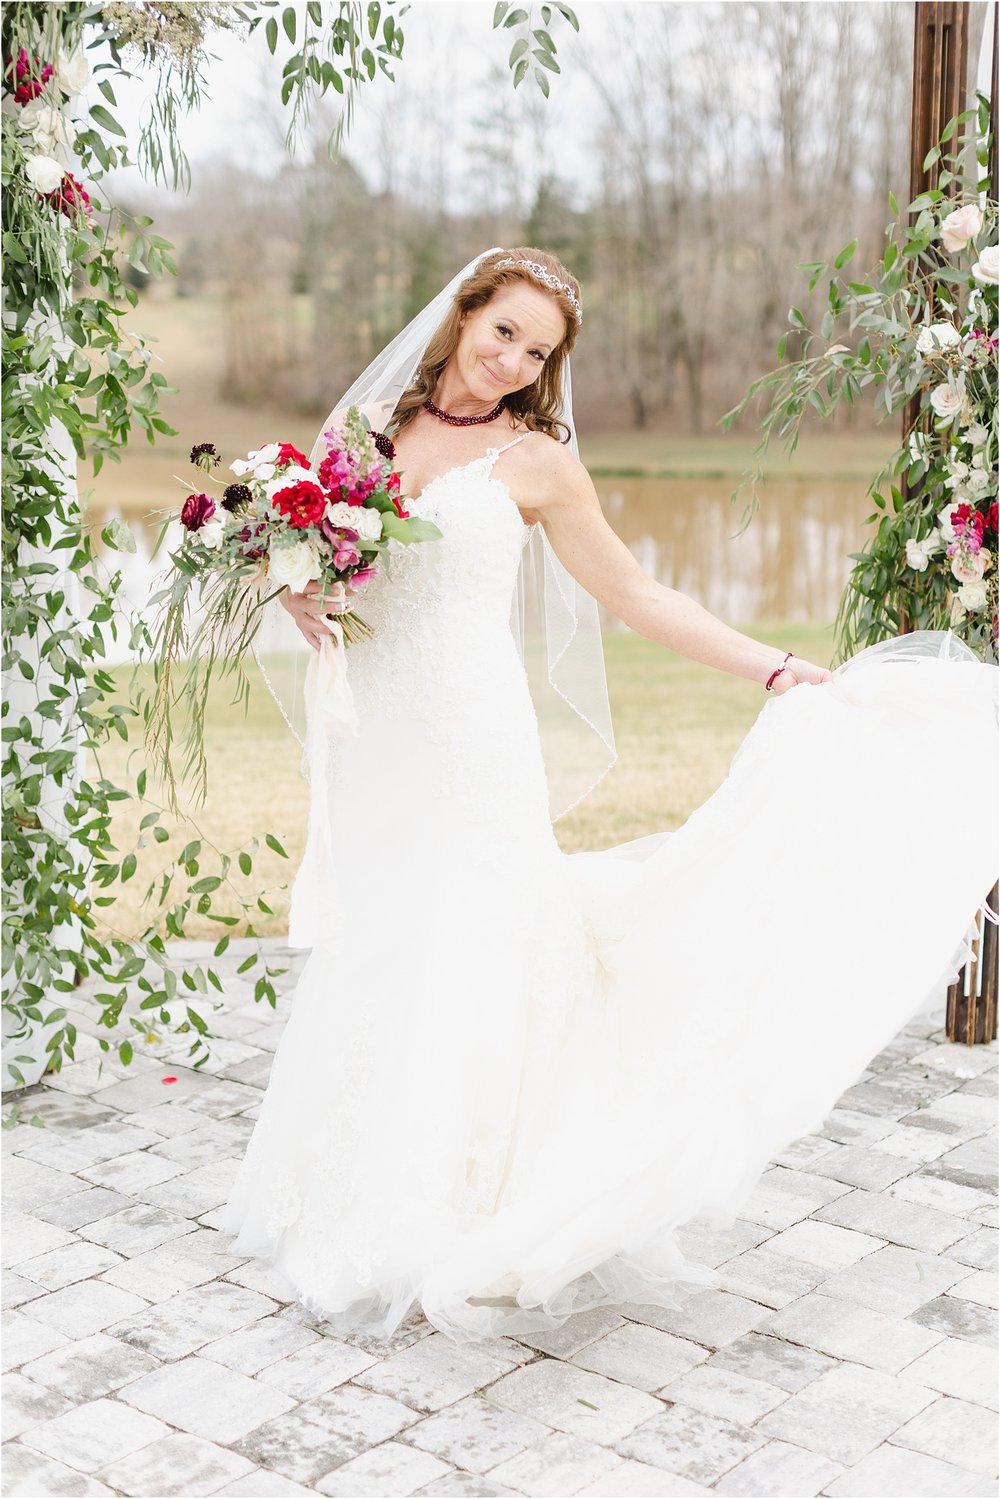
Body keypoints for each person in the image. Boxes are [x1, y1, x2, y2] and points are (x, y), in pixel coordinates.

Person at [219, 247, 997, 1344]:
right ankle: (356, 1172)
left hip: (473, 732)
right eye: (502, 333)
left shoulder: (534, 462)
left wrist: (771, 664)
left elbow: (634, 590)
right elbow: (297, 550)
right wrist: (291, 585)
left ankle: (462, 1195)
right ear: (461, 314)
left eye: (535, 352)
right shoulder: (368, 438)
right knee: (389, 932)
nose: (512, 361)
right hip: (381, 733)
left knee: (476, 935)